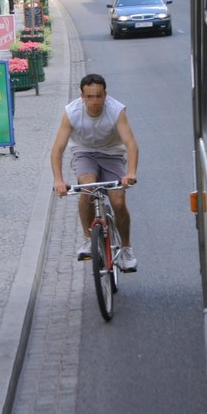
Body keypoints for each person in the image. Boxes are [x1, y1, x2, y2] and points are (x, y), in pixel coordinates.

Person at [51, 73, 139, 272]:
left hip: (112, 154)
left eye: (99, 96)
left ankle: (126, 248)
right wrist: (58, 179)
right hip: (84, 154)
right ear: (82, 96)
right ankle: (87, 238)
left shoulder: (116, 110)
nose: (95, 101)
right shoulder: (72, 112)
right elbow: (57, 149)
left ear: (105, 94)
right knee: (87, 190)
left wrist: (131, 172)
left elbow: (131, 144)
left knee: (118, 201)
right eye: (89, 97)